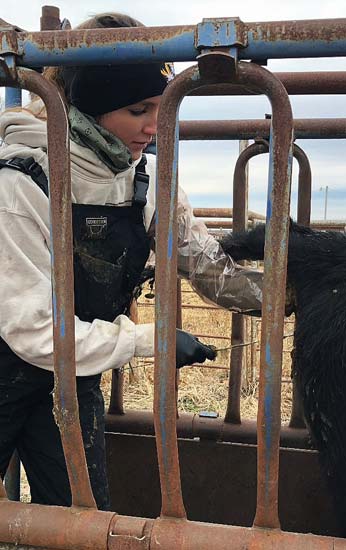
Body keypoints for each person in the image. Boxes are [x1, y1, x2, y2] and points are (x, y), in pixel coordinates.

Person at [0, 13, 267, 510]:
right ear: (92, 111)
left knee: (83, 518)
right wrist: (151, 340)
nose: (154, 127)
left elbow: (207, 265)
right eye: (138, 109)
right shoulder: (21, 182)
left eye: (161, 109)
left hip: (71, 373)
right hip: (12, 362)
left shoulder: (145, 186)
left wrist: (286, 295)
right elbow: (33, 330)